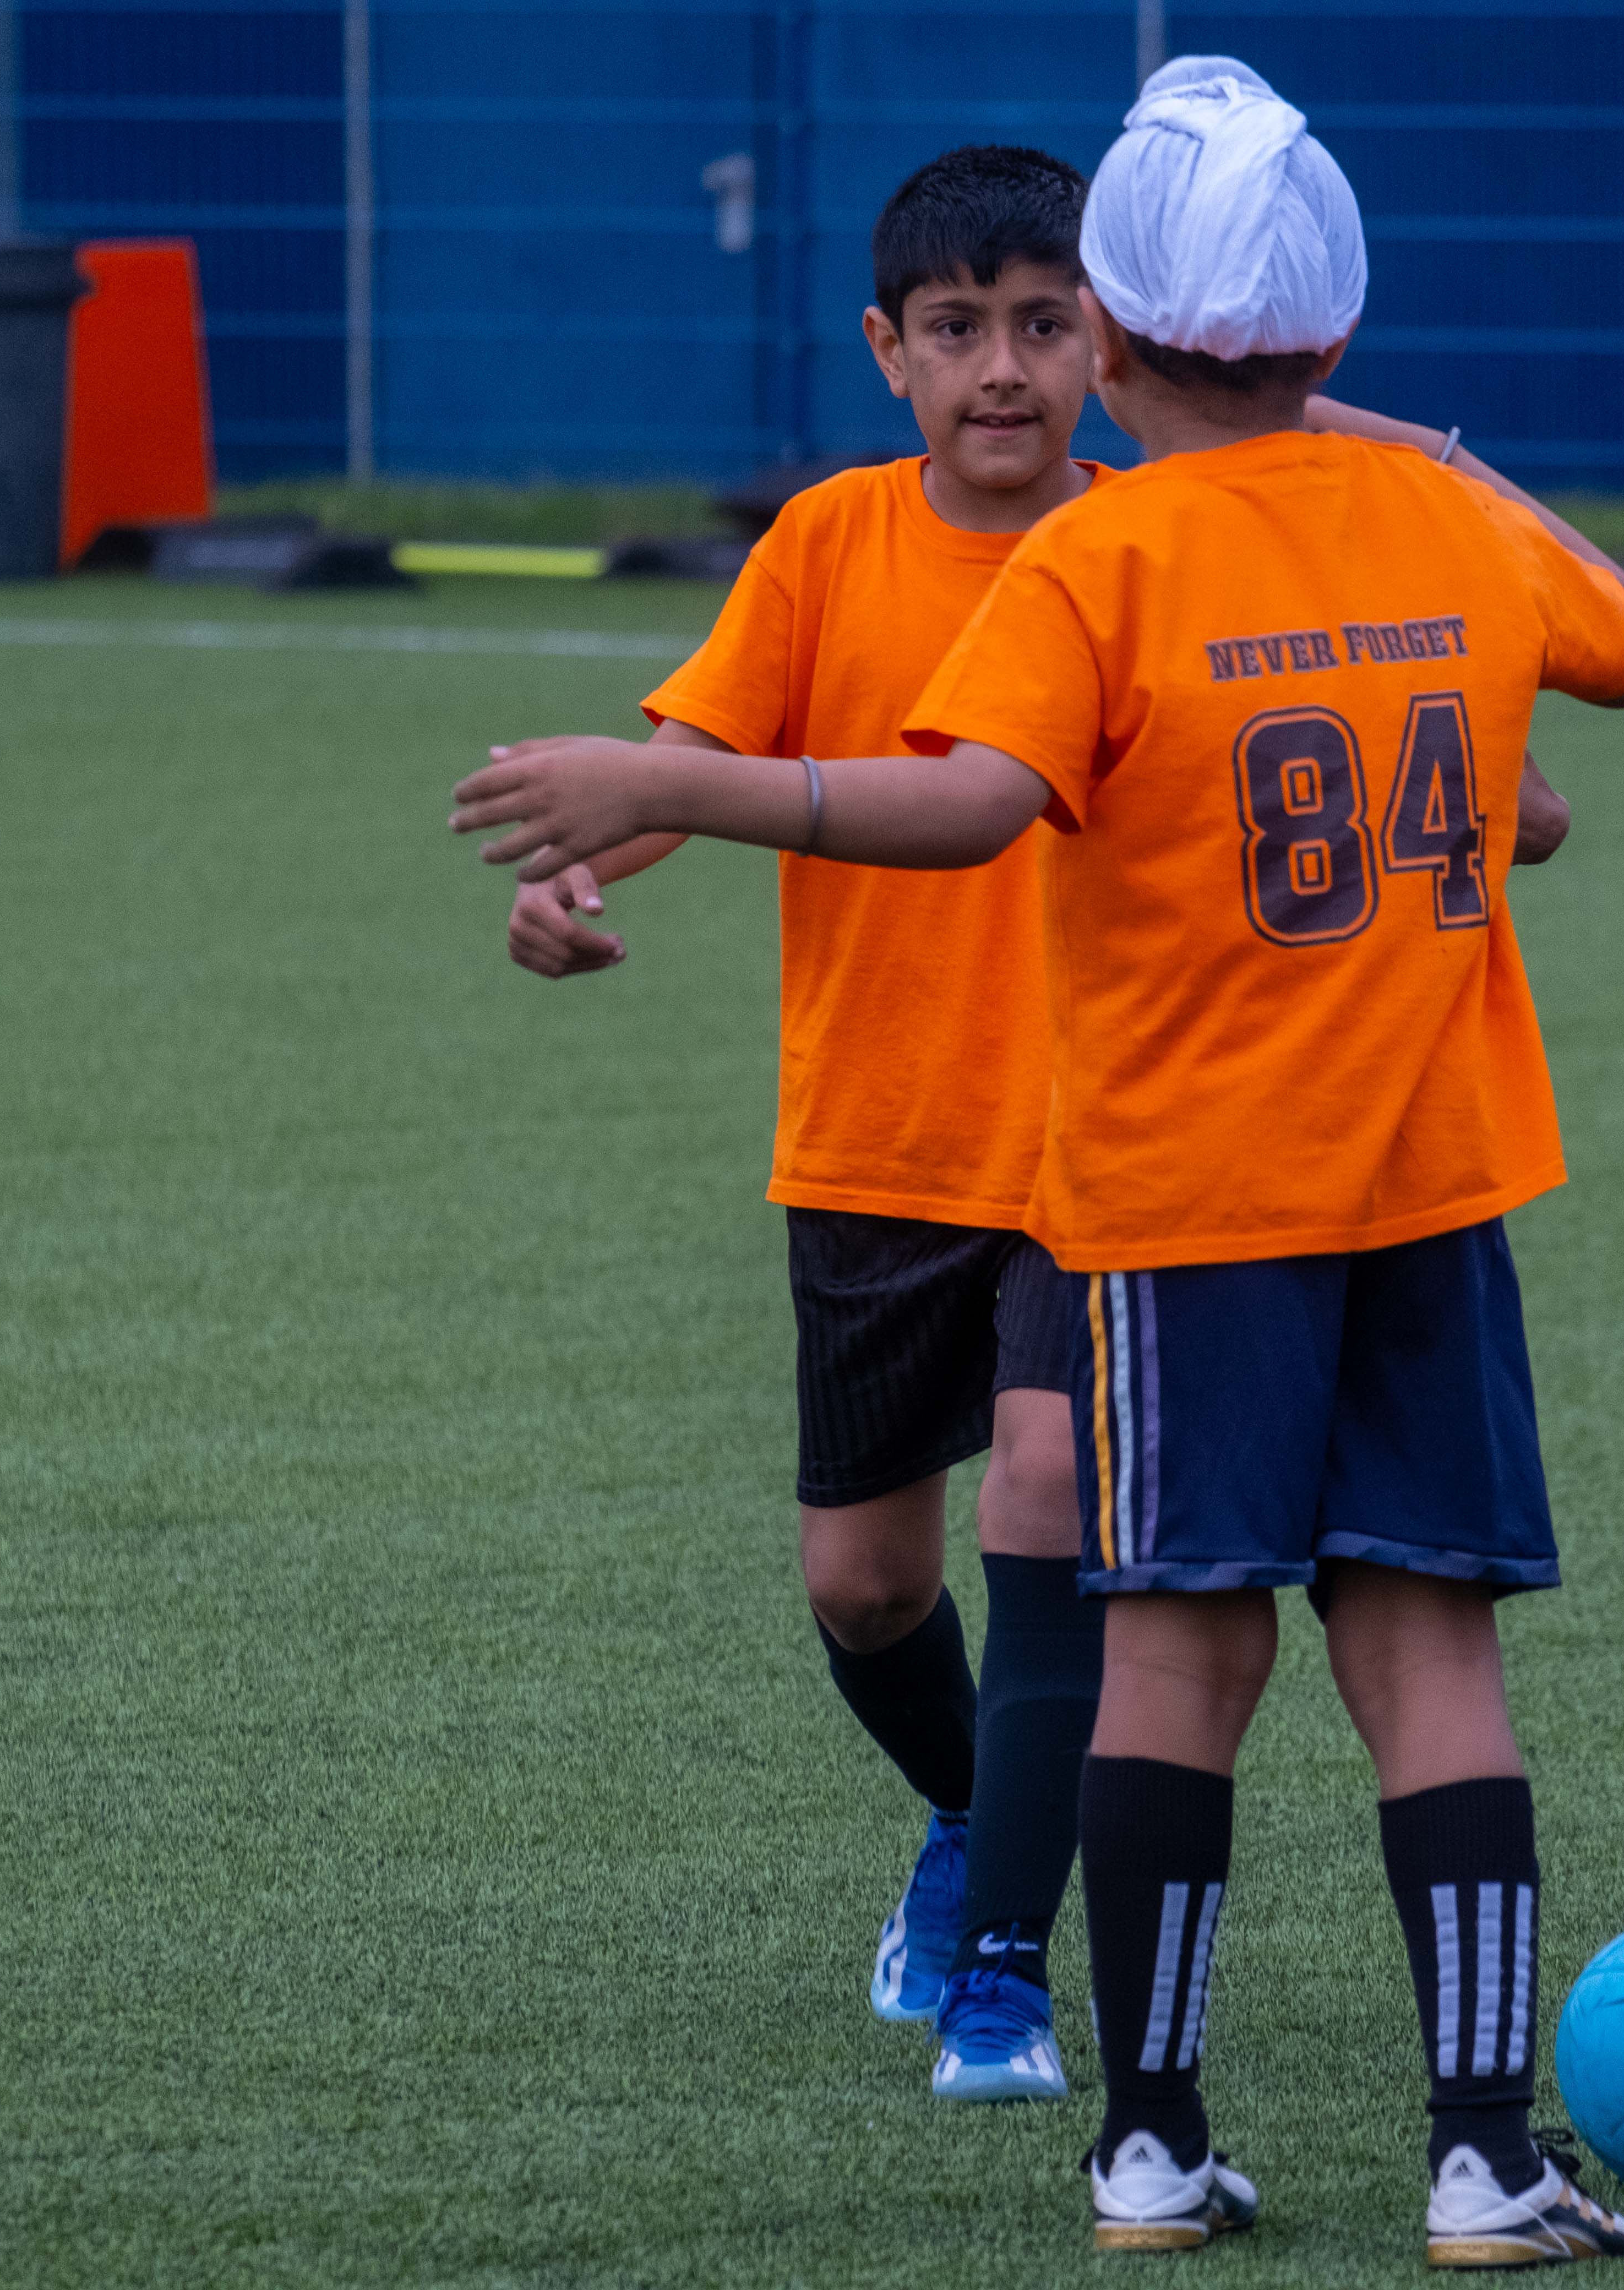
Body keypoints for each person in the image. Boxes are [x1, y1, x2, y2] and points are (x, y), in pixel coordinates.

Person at [454, 58, 1624, 2265]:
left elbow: (972, 799)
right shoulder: (1447, 526)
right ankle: (1485, 2150)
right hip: (1426, 1188)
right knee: (1432, 1656)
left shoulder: (1102, 548)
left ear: (1105, 341)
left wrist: (702, 799)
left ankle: (1149, 2133)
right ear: (1339, 330)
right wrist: (1410, 448)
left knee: (1171, 1657)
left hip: (1174, 1204)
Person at [496, 144, 1110, 2104]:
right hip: (870, 1140)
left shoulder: (1145, 545)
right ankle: (970, 1812)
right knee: (862, 1583)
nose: (1002, 367)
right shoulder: (830, 545)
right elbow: (695, 765)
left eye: (1042, 323)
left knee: (1043, 1505)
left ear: (1106, 336)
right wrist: (586, 871)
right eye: (958, 331)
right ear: (887, 350)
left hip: (1096, 1148)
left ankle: (1005, 1982)